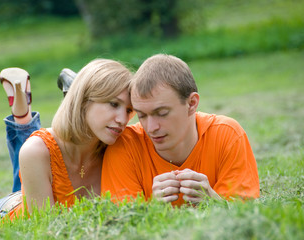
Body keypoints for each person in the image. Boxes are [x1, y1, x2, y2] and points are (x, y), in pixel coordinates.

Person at [101, 54, 260, 206]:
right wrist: (153, 208)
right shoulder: (125, 146)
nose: (151, 128)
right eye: (142, 115)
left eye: (162, 113)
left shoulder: (227, 134)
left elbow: (244, 213)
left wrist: (213, 201)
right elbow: (122, 223)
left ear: (191, 103)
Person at [0, 58, 134, 220]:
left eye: (129, 110)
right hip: (6, 210)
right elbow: (45, 228)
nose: (122, 119)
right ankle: (23, 120)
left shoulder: (119, 148)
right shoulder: (35, 151)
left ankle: (23, 118)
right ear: (83, 101)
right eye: (113, 104)